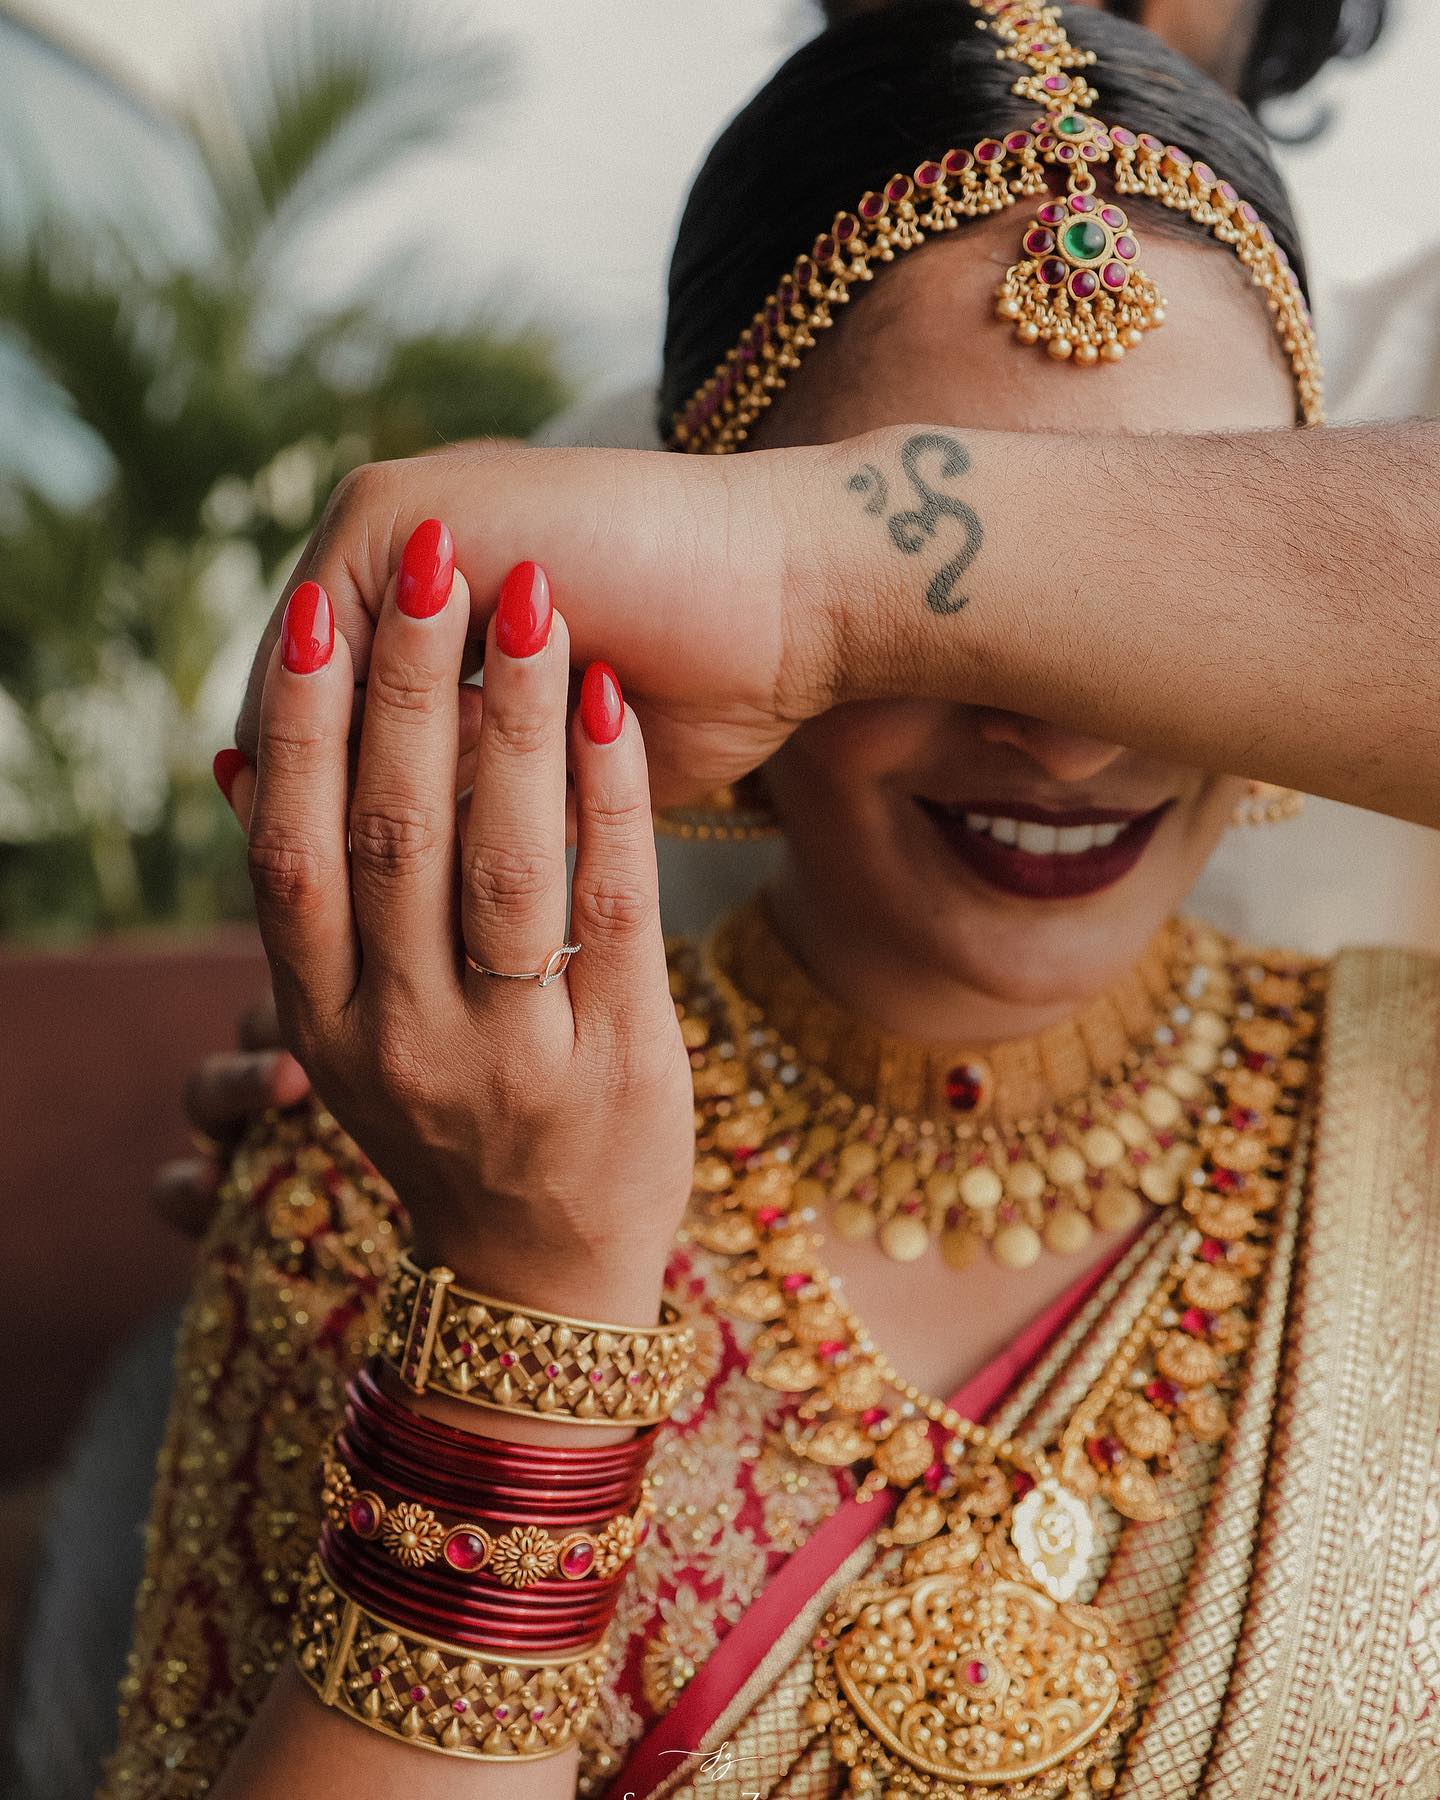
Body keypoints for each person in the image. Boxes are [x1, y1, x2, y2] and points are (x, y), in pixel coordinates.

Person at [91, 3, 1440, 1797]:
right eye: (943, 618)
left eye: (1156, 602)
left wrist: (837, 566)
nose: (1063, 728)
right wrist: (526, 1286)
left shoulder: (1409, 1116)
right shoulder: (402, 1200)